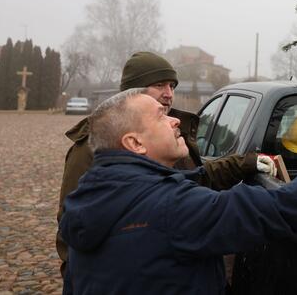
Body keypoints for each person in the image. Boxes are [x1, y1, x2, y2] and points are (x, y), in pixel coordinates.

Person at [59, 89, 297, 294]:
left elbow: (191, 182)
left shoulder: (92, 196)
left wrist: (241, 164)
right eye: (161, 116)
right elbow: (282, 207)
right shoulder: (171, 208)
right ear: (135, 143)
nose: (175, 121)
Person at [56, 51, 275, 276]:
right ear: (134, 91)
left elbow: (196, 178)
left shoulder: (174, 131)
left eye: (172, 86)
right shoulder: (93, 143)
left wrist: (245, 163)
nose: (169, 94)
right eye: (160, 85)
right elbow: (72, 224)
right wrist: (78, 278)